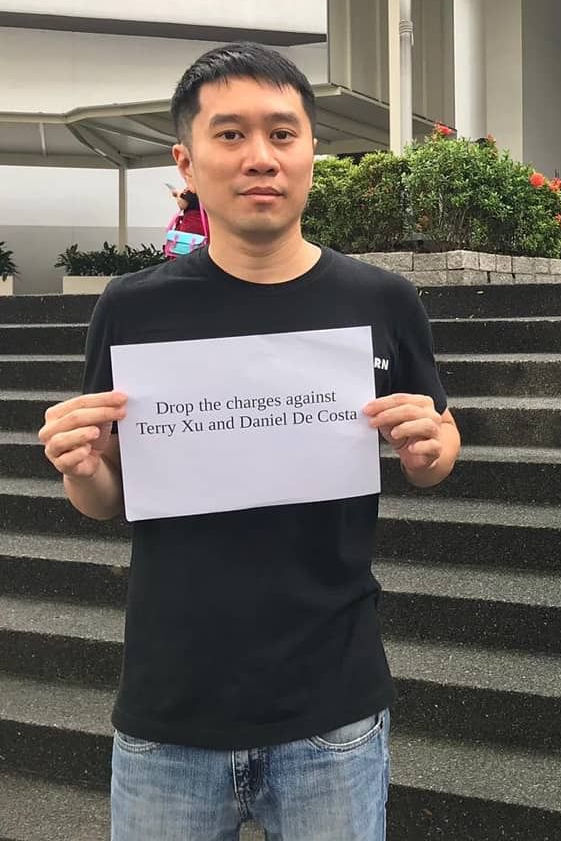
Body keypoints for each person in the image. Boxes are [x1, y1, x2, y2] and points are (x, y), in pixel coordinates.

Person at [37, 42, 461, 841]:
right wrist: (82, 465)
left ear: (312, 153)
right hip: (171, 712)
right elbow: (105, 499)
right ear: (187, 161)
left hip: (332, 708)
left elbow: (438, 435)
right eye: (229, 135)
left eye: (282, 133)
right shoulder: (131, 310)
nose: (259, 157)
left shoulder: (382, 298)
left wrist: (434, 452)